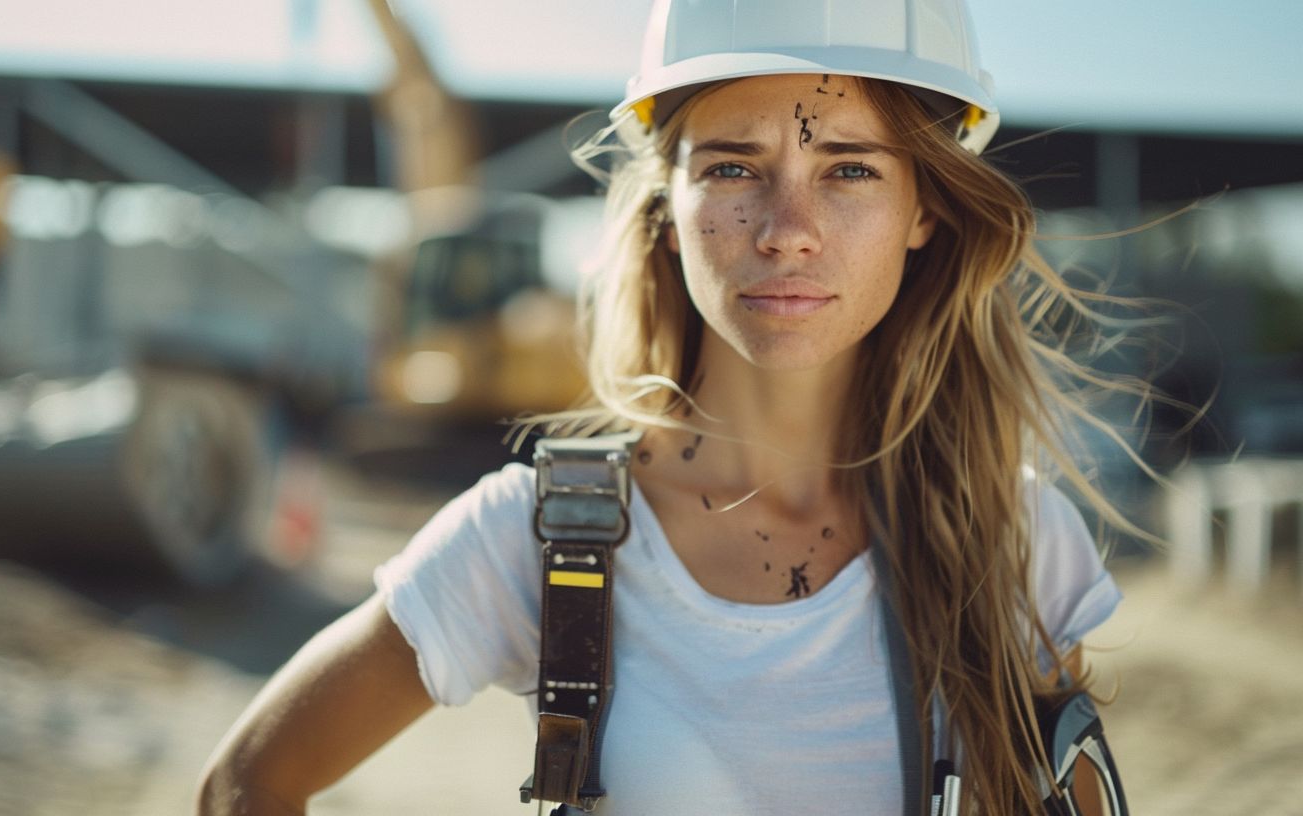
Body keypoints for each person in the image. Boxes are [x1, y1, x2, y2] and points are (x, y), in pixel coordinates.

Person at [199, 1, 1138, 813]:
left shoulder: (1015, 542)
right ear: (667, 204)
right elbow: (248, 781)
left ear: (924, 209)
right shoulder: (543, 538)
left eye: (850, 169)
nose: (786, 232)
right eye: (733, 168)